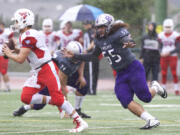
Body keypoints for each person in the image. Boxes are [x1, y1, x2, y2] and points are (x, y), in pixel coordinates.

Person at [63, 13, 168, 129]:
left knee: (146, 97)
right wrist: (75, 56)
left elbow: (131, 42)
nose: (99, 30)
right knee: (123, 98)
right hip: (120, 73)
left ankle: (156, 88)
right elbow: (93, 56)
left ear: (109, 26)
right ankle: (150, 119)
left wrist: (128, 43)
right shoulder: (98, 40)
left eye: (102, 27)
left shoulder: (119, 32)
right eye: (98, 27)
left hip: (133, 68)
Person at [2, 8, 88, 133]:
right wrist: (14, 50)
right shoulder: (26, 34)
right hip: (38, 71)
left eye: (17, 21)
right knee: (26, 97)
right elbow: (28, 51)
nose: (15, 24)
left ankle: (80, 122)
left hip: (47, 68)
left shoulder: (28, 35)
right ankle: (51, 100)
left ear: (24, 21)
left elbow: (20, 59)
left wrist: (8, 53)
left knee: (59, 98)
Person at [13, 41, 91, 118]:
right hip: (51, 76)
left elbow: (82, 60)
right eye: (74, 57)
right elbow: (62, 88)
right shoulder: (65, 62)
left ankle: (78, 110)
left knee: (83, 86)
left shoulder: (77, 54)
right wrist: (67, 110)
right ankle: (24, 108)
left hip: (66, 73)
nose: (77, 59)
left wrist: (81, 76)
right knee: (39, 105)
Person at [158, 19, 180, 95]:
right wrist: (160, 52)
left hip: (172, 56)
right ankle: (163, 89)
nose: (167, 28)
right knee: (163, 73)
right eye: (166, 27)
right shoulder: (160, 35)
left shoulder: (176, 35)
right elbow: (159, 46)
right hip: (163, 56)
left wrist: (169, 52)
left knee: (174, 73)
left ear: (172, 27)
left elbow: (178, 48)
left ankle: (177, 89)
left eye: (169, 27)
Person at [83, 20, 100, 95]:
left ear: (89, 24)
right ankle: (91, 89)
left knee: (90, 73)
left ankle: (91, 90)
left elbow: (93, 42)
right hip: (94, 55)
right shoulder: (91, 31)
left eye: (85, 24)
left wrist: (86, 50)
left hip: (90, 54)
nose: (84, 26)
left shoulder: (91, 32)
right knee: (91, 73)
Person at [0, 22, 15, 92]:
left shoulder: (7, 33)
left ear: (3, 26)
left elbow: (13, 40)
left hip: (3, 54)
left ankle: (8, 87)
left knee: (3, 71)